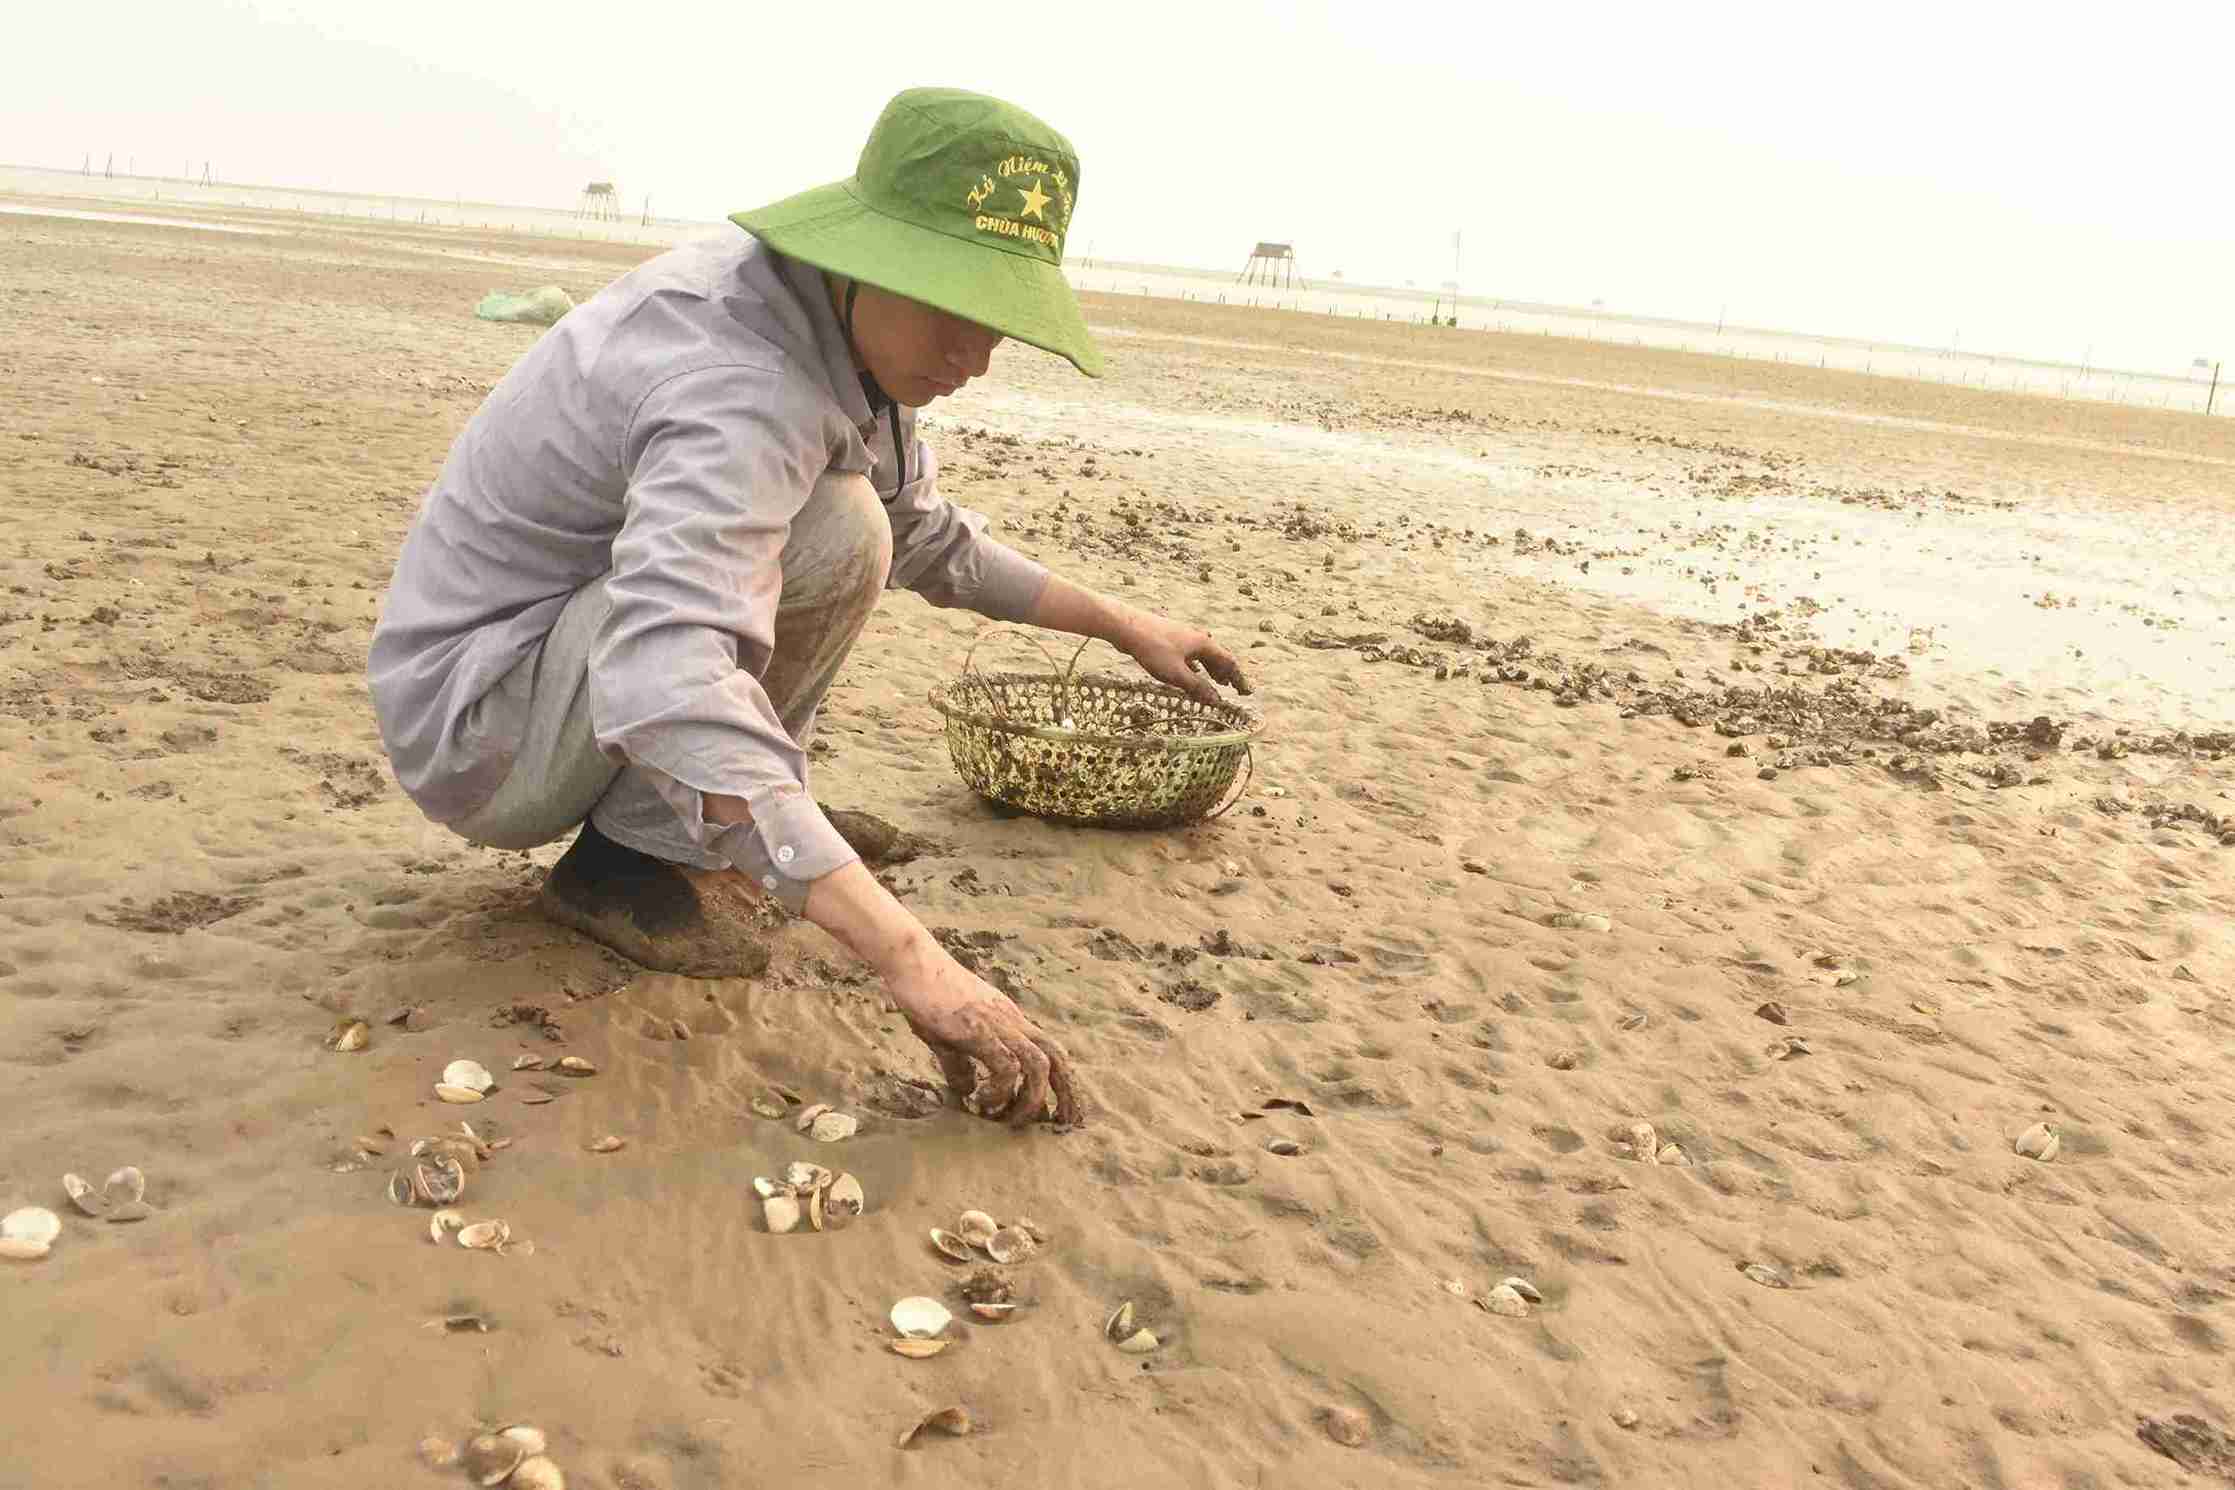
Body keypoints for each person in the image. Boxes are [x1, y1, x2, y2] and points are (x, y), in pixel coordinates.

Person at [367, 88, 1250, 1129]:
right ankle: (631, 863)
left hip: (568, 665)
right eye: (953, 310)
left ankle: (730, 825)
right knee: (836, 529)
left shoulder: (839, 327)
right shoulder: (739, 378)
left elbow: (928, 534)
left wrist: (1124, 625)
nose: (974, 358)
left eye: (998, 323)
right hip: (479, 720)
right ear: (870, 257)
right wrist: (910, 957)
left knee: (859, 524)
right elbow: (664, 672)